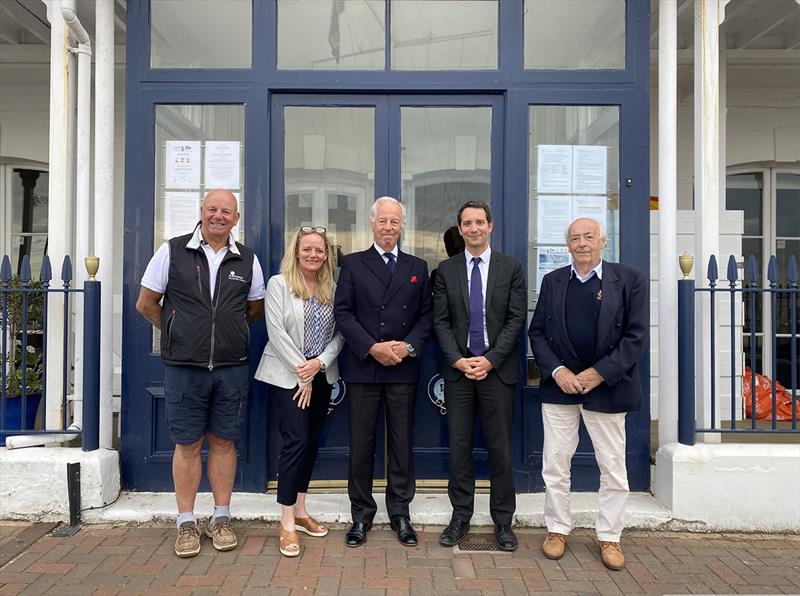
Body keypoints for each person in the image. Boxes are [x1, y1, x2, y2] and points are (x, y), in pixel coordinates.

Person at [136, 189, 265, 558]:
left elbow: (253, 309)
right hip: (184, 368)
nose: (218, 216)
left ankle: (221, 518)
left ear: (236, 219)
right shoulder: (172, 250)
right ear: (202, 212)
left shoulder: (247, 260)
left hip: (231, 367)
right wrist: (179, 334)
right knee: (188, 444)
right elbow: (146, 303)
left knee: (225, 442)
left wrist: (226, 333)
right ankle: (187, 522)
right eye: (212, 209)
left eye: (226, 211)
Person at [528, 217, 647, 571]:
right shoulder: (552, 281)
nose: (582, 243)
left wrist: (600, 373)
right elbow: (537, 333)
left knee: (612, 467)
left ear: (602, 241)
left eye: (589, 237)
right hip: (561, 386)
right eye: (575, 238)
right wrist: (557, 371)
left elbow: (635, 337)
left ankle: (610, 535)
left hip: (607, 387)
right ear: (568, 245)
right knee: (555, 464)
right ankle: (557, 529)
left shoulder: (628, 280)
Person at [334, 196, 432, 548]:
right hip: (364, 367)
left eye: (394, 222)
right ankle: (361, 514)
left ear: (401, 225)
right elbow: (343, 313)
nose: (388, 227)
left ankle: (400, 513)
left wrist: (405, 347)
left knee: (401, 445)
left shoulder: (417, 265)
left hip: (403, 367)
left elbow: (426, 316)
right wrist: (373, 347)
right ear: (372, 224)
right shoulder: (354, 264)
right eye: (382, 221)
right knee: (362, 445)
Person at [432, 200, 527, 552]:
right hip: (458, 374)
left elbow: (517, 320)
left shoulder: (511, 268)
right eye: (466, 224)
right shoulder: (446, 271)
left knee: (500, 448)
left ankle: (503, 521)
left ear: (491, 226)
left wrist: (489, 360)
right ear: (460, 230)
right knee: (459, 448)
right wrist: (458, 360)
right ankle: (461, 516)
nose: (473, 229)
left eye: (479, 222)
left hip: (496, 372)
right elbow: (440, 321)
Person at [254, 226, 344, 558]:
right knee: (295, 441)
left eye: (319, 251)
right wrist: (301, 372)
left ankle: (302, 509)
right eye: (307, 249)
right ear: (296, 251)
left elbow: (341, 334)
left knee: (311, 441)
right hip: (286, 376)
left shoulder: (332, 288)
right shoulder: (279, 285)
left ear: (326, 256)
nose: (313, 255)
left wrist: (318, 364)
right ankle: (287, 519)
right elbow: (275, 331)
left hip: (320, 374)